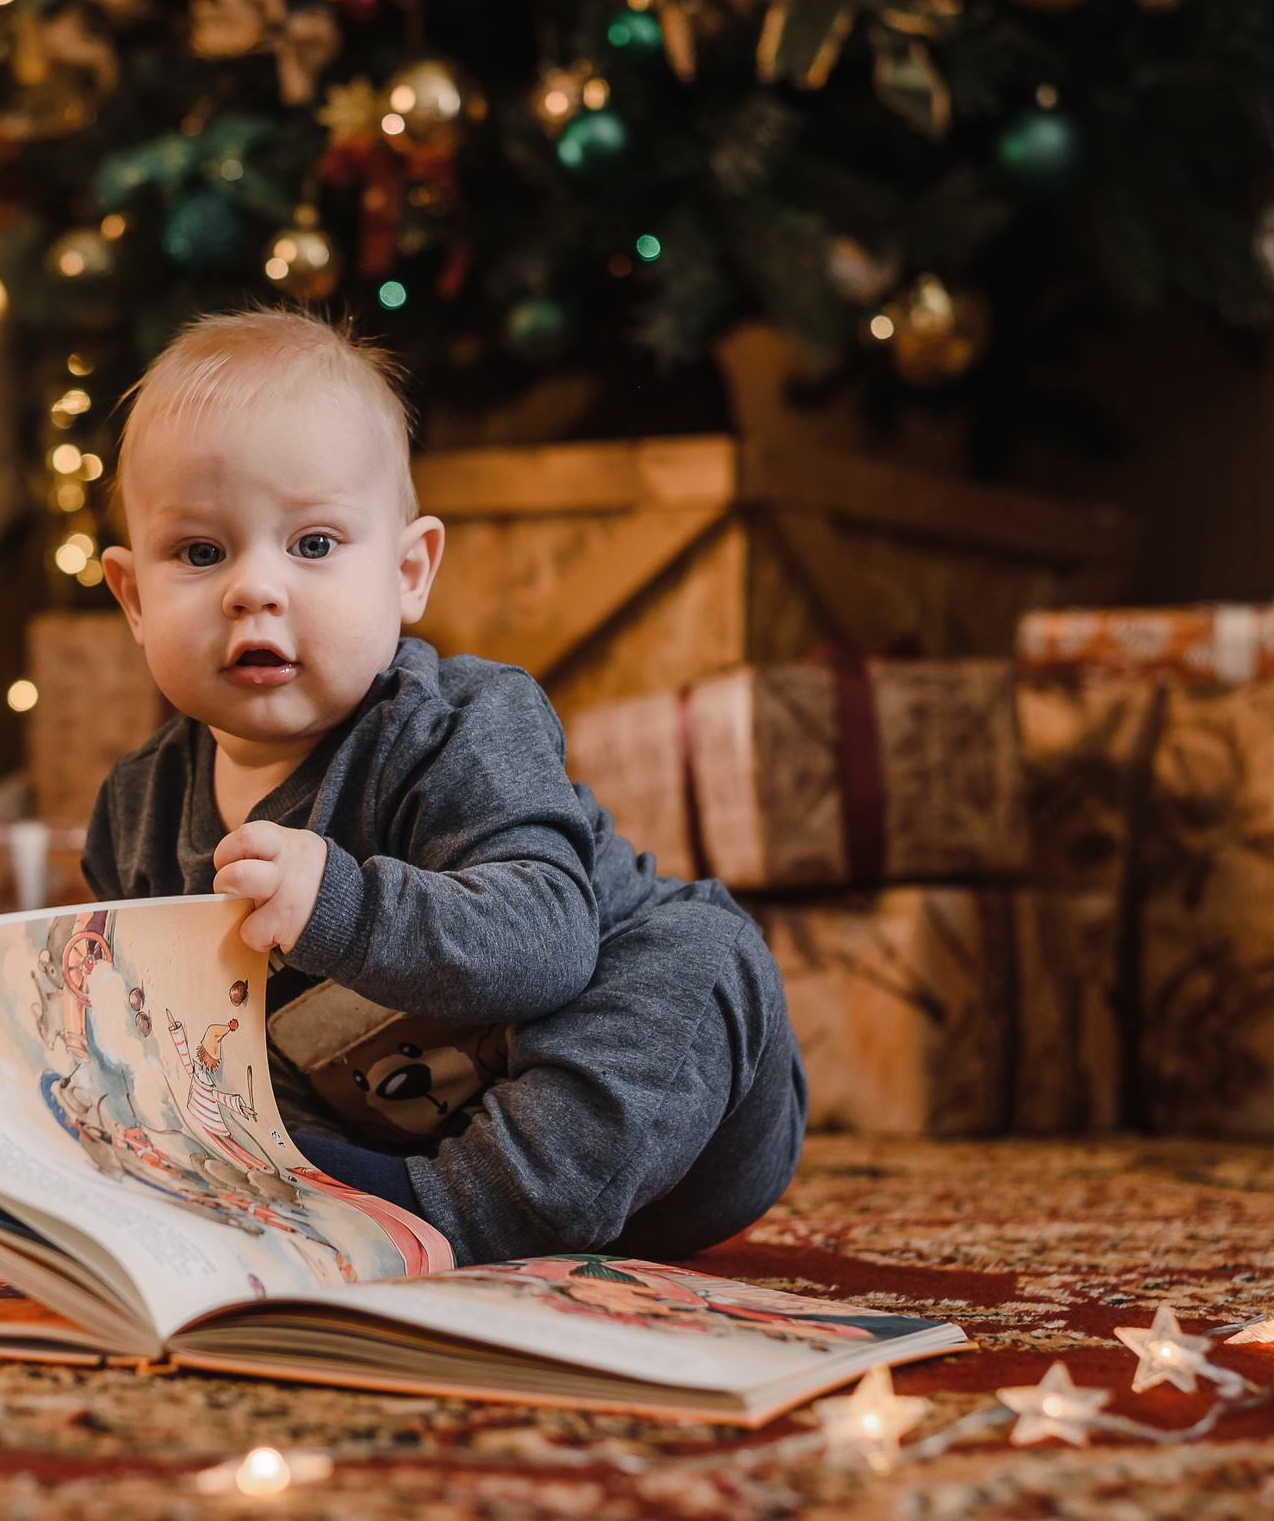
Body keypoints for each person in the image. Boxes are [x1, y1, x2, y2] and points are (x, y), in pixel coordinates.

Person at [80, 307, 805, 1266]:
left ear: (409, 570)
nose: (253, 589)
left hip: (669, 1131)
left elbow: (547, 945)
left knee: (706, 949)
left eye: (313, 545)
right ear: (133, 597)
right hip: (375, 1134)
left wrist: (340, 903)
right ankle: (339, 1198)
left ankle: (450, 1215)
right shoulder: (136, 811)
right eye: (201, 553)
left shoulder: (461, 723)